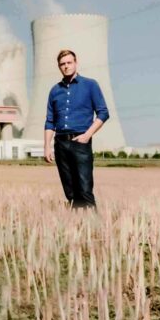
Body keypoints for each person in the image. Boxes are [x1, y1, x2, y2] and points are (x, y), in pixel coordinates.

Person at [43, 49, 108, 209]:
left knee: (84, 189)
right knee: (70, 191)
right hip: (60, 144)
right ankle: (77, 225)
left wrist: (87, 135)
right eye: (62, 64)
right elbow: (50, 121)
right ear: (59, 67)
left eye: (69, 63)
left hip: (80, 142)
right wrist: (46, 146)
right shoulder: (54, 91)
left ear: (76, 63)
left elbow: (103, 113)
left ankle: (94, 226)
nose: (66, 66)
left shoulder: (90, 85)